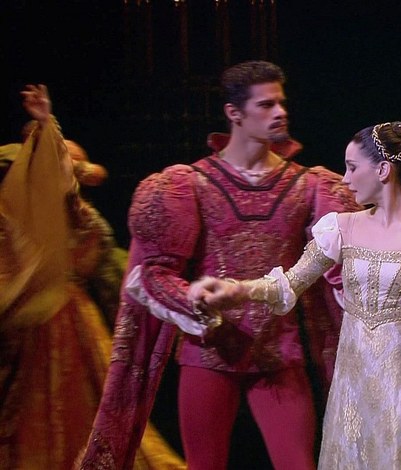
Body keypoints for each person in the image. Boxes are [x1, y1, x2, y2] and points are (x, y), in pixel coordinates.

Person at [78, 61, 361, 470]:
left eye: (281, 103)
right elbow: (153, 272)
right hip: (208, 355)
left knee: (297, 464)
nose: (280, 112)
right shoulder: (191, 184)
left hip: (277, 356)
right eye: (266, 104)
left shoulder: (308, 186)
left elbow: (341, 270)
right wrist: (190, 296)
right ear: (234, 113)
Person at [188, 121, 401, 469]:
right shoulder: (342, 227)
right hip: (354, 384)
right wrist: (236, 290)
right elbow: (288, 284)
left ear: (383, 170)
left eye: (352, 167)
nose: (345, 179)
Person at [0, 85, 184, 469]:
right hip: (32, 321)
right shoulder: (17, 216)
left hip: (68, 316)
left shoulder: (75, 215)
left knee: (83, 400)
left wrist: (48, 128)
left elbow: (94, 248)